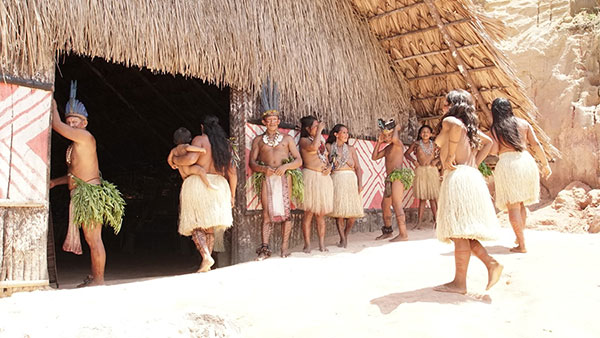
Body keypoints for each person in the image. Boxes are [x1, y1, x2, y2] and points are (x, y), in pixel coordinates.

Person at [49, 81, 125, 287]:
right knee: (91, 239)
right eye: (69, 122)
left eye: (75, 122)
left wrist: (52, 103)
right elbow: (74, 176)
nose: (72, 125)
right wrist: (55, 183)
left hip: (89, 193)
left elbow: (57, 125)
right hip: (80, 193)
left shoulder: (85, 137)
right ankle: (94, 276)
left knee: (93, 239)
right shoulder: (74, 146)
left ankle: (99, 280)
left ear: (84, 123)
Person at [434, 90, 503, 294]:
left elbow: (454, 127)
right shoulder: (469, 127)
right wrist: (473, 164)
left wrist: (450, 157)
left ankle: (461, 282)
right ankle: (487, 266)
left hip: (458, 177)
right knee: (461, 232)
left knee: (459, 231)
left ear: (454, 105)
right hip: (469, 175)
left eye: (446, 104)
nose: (442, 107)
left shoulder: (453, 121)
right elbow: (489, 143)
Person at [172, 115, 236, 272]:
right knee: (209, 227)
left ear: (202, 127)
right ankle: (205, 262)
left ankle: (206, 255)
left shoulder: (199, 140)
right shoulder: (226, 145)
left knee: (196, 224)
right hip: (220, 185)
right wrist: (232, 195)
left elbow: (190, 160)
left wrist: (175, 159)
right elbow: (232, 172)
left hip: (199, 184)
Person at [489, 98, 552, 253]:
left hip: (508, 164)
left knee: (513, 207)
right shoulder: (524, 123)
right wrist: (545, 164)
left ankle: (521, 244)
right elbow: (536, 144)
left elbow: (494, 150)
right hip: (526, 161)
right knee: (521, 204)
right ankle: (520, 237)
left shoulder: (496, 128)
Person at [249, 109, 302, 259]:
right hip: (267, 177)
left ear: (278, 122)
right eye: (269, 120)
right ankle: (265, 249)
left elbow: (298, 160)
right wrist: (263, 169)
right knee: (267, 213)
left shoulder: (287, 139)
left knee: (286, 213)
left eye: (275, 120)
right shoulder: (258, 140)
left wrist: (285, 167)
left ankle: (284, 248)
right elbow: (252, 162)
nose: (272, 122)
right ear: (264, 122)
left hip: (284, 177)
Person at [299, 116, 334, 253]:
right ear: (308, 129)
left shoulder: (322, 141)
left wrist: (329, 168)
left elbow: (326, 158)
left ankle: (321, 244)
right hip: (311, 177)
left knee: (320, 214)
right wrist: (320, 130)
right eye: (315, 126)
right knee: (308, 213)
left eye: (318, 126)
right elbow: (313, 148)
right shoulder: (304, 141)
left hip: (323, 178)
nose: (318, 127)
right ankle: (307, 244)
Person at [326, 124, 364, 248]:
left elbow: (358, 168)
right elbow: (326, 164)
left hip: (350, 180)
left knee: (352, 213)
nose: (346, 135)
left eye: (347, 133)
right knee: (340, 212)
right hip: (337, 178)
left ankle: (345, 235)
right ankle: (342, 239)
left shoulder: (351, 149)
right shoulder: (329, 147)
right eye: (343, 132)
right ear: (336, 134)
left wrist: (360, 183)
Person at [371, 124, 410, 241]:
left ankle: (403, 234)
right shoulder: (387, 149)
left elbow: (394, 139)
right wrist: (378, 142)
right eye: (385, 135)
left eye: (389, 135)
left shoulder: (398, 144)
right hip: (389, 178)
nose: (387, 137)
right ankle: (388, 231)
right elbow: (374, 157)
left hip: (398, 176)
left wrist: (397, 129)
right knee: (385, 205)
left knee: (397, 204)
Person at [404, 125, 440, 229]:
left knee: (433, 198)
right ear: (420, 134)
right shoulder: (416, 144)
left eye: (427, 132)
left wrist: (436, 160)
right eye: (423, 132)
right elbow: (406, 154)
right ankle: (419, 222)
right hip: (421, 171)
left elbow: (442, 154)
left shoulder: (434, 144)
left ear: (431, 134)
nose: (425, 134)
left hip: (432, 171)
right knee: (423, 198)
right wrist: (414, 161)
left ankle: (437, 221)